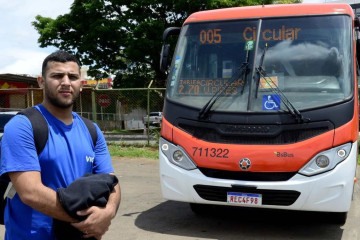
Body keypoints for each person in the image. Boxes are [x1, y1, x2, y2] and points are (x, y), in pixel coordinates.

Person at [0, 50, 121, 239]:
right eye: (57, 75)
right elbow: (30, 192)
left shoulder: (92, 130)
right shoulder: (23, 126)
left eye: (72, 76)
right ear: (41, 81)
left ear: (80, 84)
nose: (66, 82)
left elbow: (111, 181)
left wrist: (108, 212)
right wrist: (86, 222)